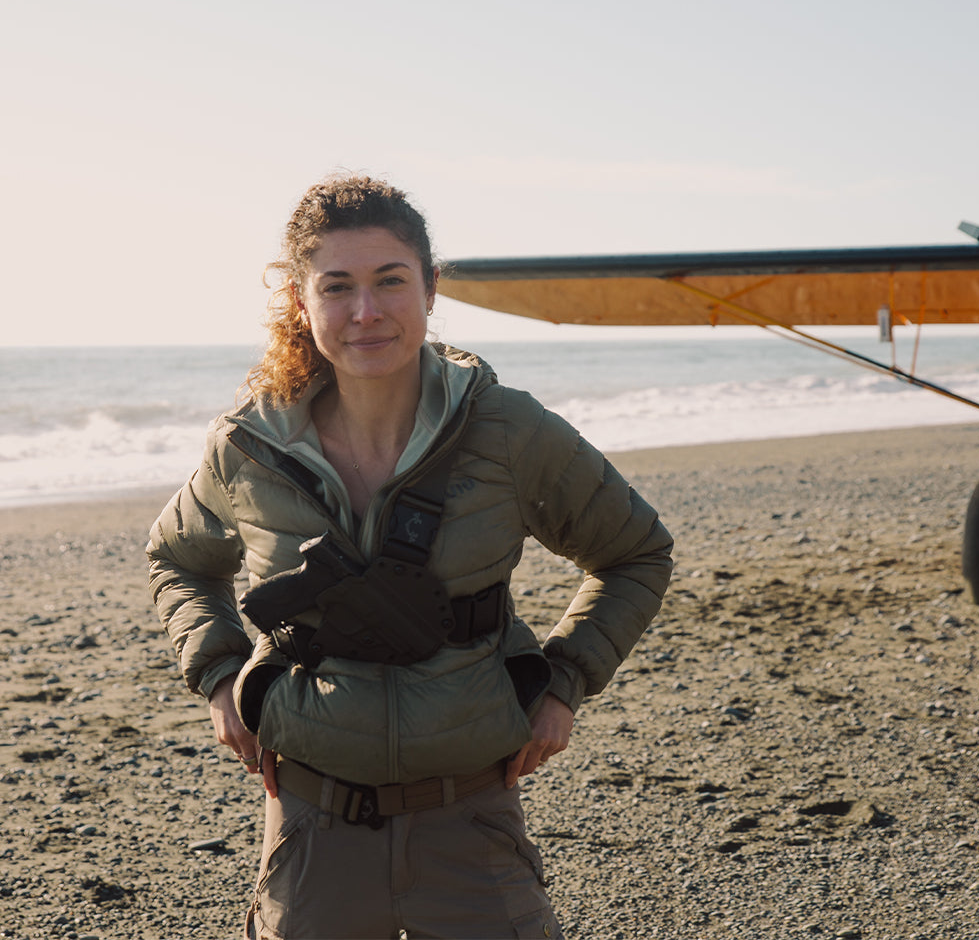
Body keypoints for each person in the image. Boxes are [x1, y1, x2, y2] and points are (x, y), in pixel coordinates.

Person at [147, 173, 674, 940]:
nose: (366, 312)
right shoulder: (248, 446)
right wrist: (220, 675)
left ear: (429, 289)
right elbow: (178, 560)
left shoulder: (505, 428)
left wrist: (565, 681)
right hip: (310, 822)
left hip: (471, 816)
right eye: (337, 287)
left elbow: (635, 552)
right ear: (302, 300)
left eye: (390, 281)